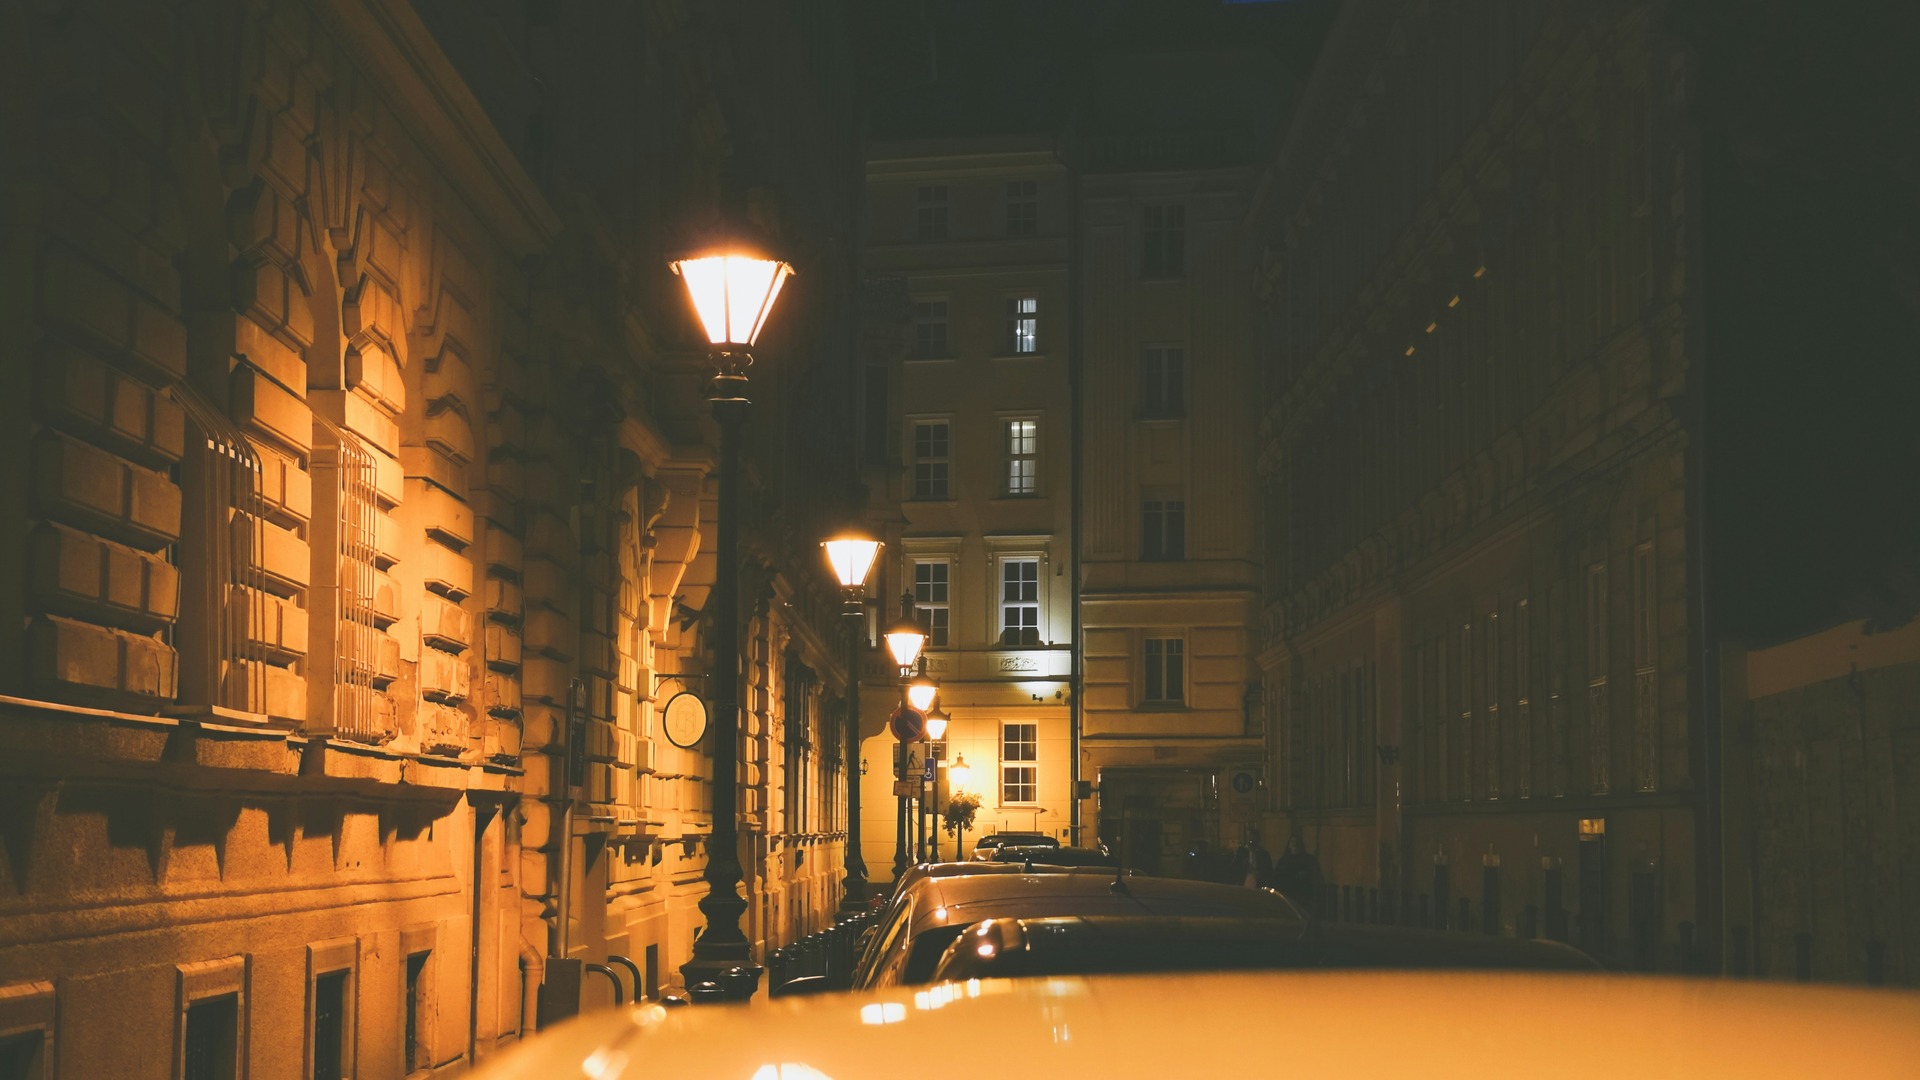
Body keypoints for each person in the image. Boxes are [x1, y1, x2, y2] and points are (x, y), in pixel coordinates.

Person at [1266, 834, 1323, 917]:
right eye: (1292, 842)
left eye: (1297, 842)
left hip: (1303, 897)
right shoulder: (1284, 861)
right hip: (1287, 897)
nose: (1295, 844)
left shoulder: (1309, 861)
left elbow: (1315, 878)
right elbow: (1276, 877)